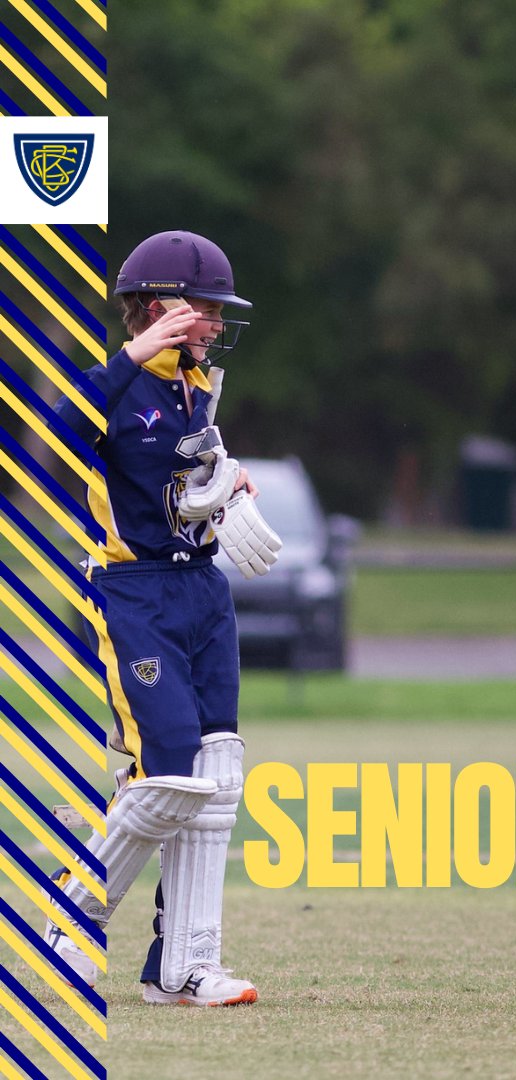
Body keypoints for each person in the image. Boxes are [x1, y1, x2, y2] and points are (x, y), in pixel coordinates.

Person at [43, 230, 281, 1006]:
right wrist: (134, 353)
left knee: (219, 772)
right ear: (159, 307)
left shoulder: (199, 382)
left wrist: (230, 482)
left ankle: (183, 968)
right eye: (206, 310)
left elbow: (187, 469)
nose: (216, 325)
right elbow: (55, 440)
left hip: (200, 589)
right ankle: (64, 920)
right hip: (133, 590)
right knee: (169, 773)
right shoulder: (120, 381)